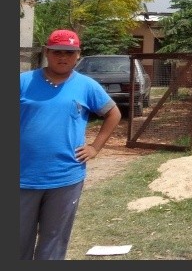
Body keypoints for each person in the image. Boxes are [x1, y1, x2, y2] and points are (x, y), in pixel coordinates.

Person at [20, 29, 122, 260]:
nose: (63, 57)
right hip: (23, 177)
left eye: (69, 52)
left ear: (78, 55)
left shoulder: (86, 86)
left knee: (54, 241)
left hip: (66, 176)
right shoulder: (23, 82)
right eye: (57, 52)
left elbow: (113, 113)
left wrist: (95, 147)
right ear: (47, 52)